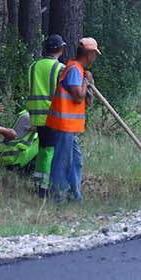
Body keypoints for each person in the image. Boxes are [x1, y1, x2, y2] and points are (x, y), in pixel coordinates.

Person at [48, 37, 101, 202]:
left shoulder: (78, 70)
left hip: (70, 126)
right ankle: (56, 197)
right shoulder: (74, 70)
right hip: (64, 124)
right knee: (62, 161)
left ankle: (75, 197)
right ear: (90, 54)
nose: (95, 58)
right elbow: (78, 97)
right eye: (95, 55)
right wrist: (87, 81)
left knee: (76, 160)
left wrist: (86, 80)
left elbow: (86, 100)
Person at [24, 35, 69, 194]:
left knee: (44, 149)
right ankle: (44, 188)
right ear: (61, 49)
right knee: (50, 151)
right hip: (52, 116)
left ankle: (39, 183)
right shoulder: (60, 68)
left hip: (36, 116)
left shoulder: (33, 67)